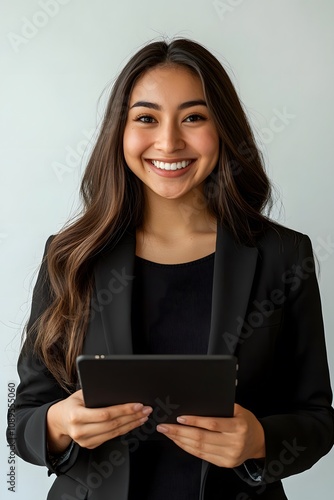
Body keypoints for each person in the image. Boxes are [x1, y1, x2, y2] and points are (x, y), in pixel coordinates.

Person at [8, 38, 334, 500]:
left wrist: (260, 440)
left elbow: (317, 417)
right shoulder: (71, 254)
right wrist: (58, 424)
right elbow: (21, 420)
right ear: (119, 132)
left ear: (222, 128)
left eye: (193, 118)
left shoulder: (283, 255)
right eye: (146, 118)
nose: (168, 142)